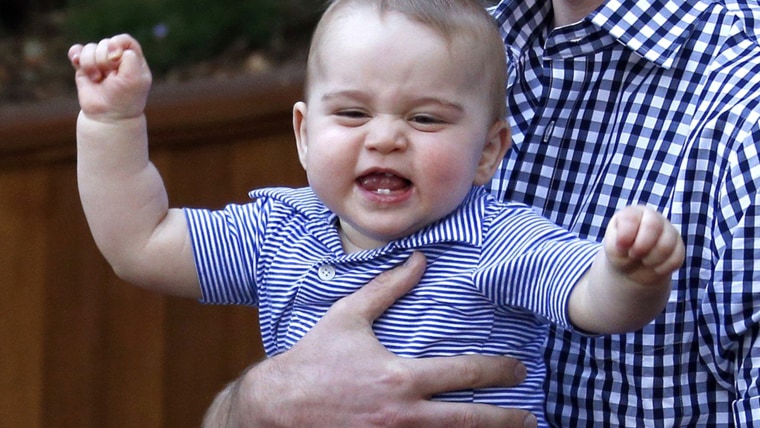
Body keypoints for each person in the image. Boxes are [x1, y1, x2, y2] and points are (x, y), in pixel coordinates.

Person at [68, 0, 685, 427]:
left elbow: (594, 304)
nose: (385, 138)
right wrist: (111, 124)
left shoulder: (498, 241)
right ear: (305, 135)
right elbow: (140, 242)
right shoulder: (277, 231)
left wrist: (631, 275)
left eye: (425, 118)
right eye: (354, 114)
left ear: (489, 152)